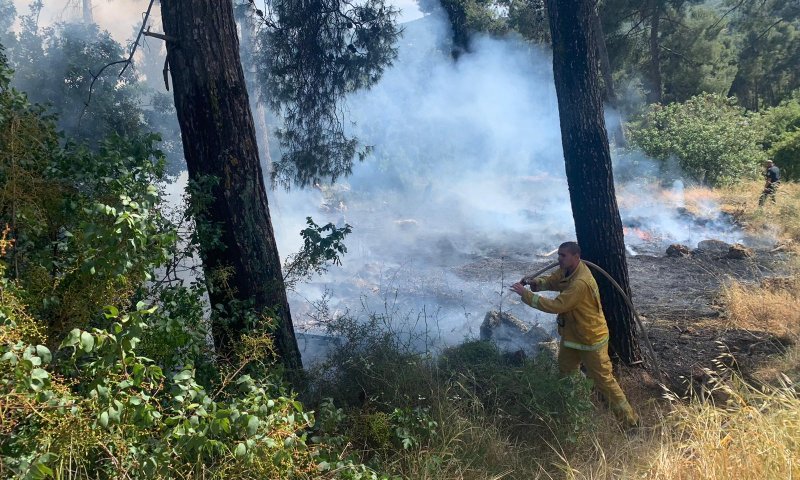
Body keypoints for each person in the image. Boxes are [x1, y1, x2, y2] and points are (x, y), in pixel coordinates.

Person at [510, 241, 639, 427]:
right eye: (559, 254)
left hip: (590, 338)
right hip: (572, 336)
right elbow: (554, 280)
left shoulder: (580, 283)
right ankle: (569, 413)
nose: (559, 258)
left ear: (576, 257)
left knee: (603, 381)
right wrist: (536, 283)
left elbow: (558, 305)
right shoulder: (568, 270)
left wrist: (526, 295)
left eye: (563, 255)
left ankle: (631, 422)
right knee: (565, 374)